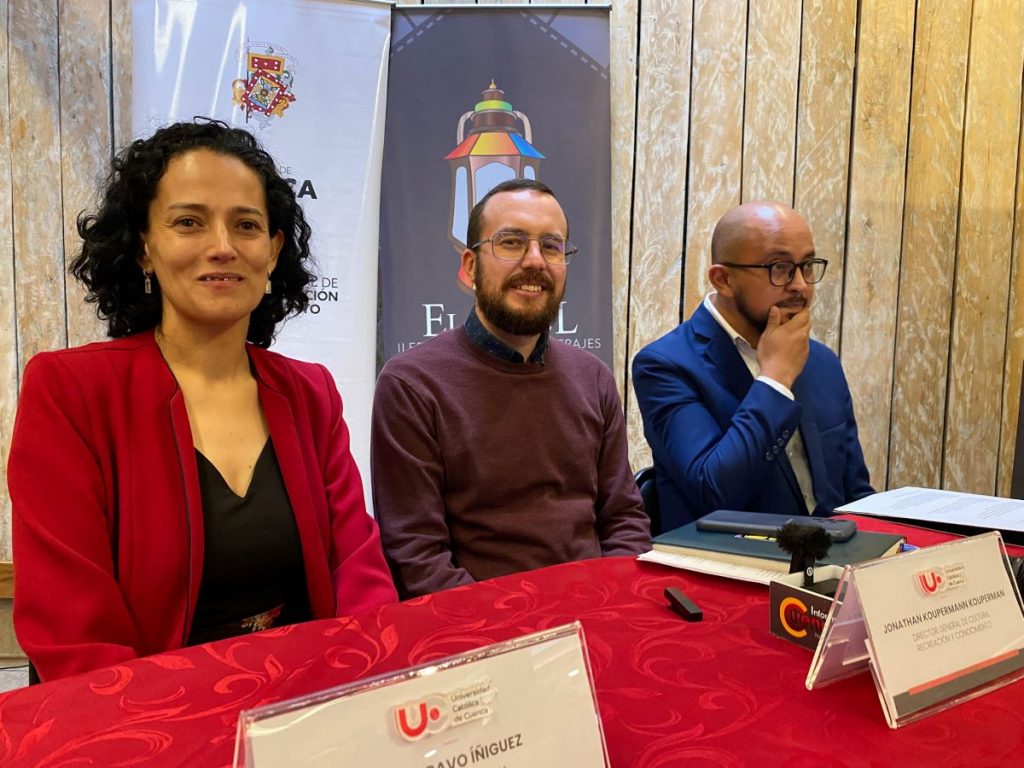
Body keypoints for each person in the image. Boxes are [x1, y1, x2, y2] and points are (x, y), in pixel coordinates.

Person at [8, 120, 397, 682]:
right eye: (189, 222)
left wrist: (366, 683)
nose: (222, 247)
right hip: (146, 709)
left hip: (303, 696)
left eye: (246, 225)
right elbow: (74, 632)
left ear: (273, 251)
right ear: (144, 247)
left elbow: (358, 573)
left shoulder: (310, 392)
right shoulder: (71, 390)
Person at [371, 179, 650, 598]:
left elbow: (624, 519)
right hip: (483, 627)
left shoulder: (593, 377)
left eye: (551, 246)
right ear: (470, 266)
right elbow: (417, 559)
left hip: (598, 609)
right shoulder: (411, 386)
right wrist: (527, 629)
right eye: (512, 242)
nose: (535, 261)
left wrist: (613, 601)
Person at [632, 201, 874, 530]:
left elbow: (855, 495)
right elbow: (713, 491)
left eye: (807, 265)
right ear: (723, 280)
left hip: (832, 556)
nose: (801, 285)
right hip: (727, 558)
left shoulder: (822, 362)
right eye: (780, 268)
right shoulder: (666, 365)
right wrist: (775, 380)